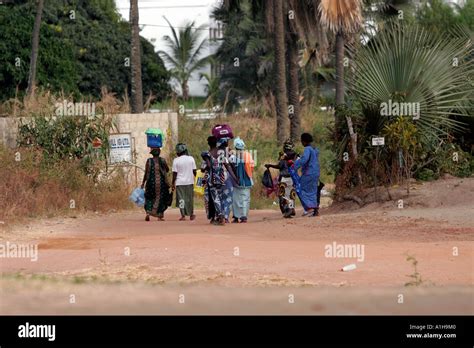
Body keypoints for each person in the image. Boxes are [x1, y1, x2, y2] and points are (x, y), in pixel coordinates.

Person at [201, 136, 237, 225]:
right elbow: (228, 166)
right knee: (220, 198)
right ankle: (220, 217)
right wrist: (235, 178)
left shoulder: (207, 154)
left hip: (211, 180)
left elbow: (206, 167)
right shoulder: (221, 153)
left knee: (215, 199)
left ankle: (220, 217)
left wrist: (206, 165)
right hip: (221, 179)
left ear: (208, 143)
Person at [265, 139, 298, 218]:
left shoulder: (284, 155)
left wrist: (270, 165)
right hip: (292, 178)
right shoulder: (295, 155)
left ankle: (287, 210)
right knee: (291, 194)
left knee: (283, 195)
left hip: (284, 178)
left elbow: (280, 166)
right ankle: (291, 208)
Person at [293, 133, 320, 217]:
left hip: (308, 173)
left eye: (301, 141)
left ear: (304, 141)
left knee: (301, 188)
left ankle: (309, 208)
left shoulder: (307, 149)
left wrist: (295, 166)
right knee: (313, 191)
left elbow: (304, 159)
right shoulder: (314, 149)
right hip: (315, 173)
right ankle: (315, 210)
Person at [141, 147, 171, 221]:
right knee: (161, 198)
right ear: (159, 153)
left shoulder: (149, 161)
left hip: (150, 183)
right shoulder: (162, 160)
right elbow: (167, 170)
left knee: (149, 198)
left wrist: (143, 183)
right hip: (161, 184)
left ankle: (148, 213)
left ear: (152, 154)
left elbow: (146, 173)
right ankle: (159, 215)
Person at [230, 137, 254, 223]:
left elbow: (231, 167)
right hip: (247, 181)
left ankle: (236, 217)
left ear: (235, 147)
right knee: (245, 199)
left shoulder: (233, 156)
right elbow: (252, 167)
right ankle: (244, 216)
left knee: (235, 199)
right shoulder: (248, 155)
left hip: (236, 181)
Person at [172, 143, 197, 221]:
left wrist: (173, 183)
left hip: (180, 183)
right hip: (190, 182)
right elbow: (195, 171)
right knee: (189, 198)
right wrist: (197, 180)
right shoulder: (191, 159)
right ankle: (191, 214)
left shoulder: (176, 160)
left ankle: (183, 215)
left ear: (178, 152)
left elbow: (174, 173)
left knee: (181, 199)